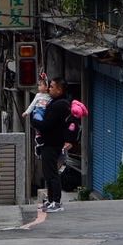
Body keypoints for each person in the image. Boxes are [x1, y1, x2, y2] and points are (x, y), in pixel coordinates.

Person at [38, 78, 70, 212]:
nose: (49, 89)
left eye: (51, 87)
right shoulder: (56, 103)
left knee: (52, 174)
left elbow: (46, 124)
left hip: (53, 143)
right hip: (49, 142)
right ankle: (51, 200)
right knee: (48, 173)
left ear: (59, 90)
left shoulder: (59, 105)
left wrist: (36, 122)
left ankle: (56, 202)